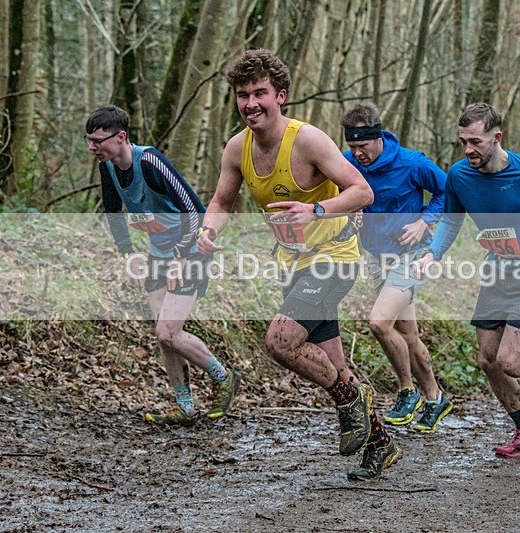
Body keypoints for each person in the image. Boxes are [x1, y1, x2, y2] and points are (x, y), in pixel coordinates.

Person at [197, 49, 400, 481]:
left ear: (280, 96)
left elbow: (362, 192)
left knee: (280, 340)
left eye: (260, 94)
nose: (251, 103)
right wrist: (209, 232)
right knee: (333, 363)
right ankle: (380, 444)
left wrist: (319, 211)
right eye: (242, 95)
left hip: (334, 260)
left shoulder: (308, 141)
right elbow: (221, 201)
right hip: (294, 264)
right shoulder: (237, 149)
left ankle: (349, 401)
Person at [412, 103, 520, 458]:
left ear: (496, 137)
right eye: (463, 142)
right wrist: (431, 254)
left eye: (475, 142)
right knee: (488, 360)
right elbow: (452, 221)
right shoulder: (458, 175)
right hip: (497, 271)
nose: (468, 150)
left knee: (509, 360)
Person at [85, 104, 239, 426]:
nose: (92, 147)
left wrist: (181, 257)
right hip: (157, 254)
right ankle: (185, 407)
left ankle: (224, 377)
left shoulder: (151, 162)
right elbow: (114, 214)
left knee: (169, 331)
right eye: (89, 140)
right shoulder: (108, 167)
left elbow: (196, 212)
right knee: (163, 334)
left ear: (121, 137)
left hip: (192, 250)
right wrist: (130, 256)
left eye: (98, 141)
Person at [340, 102, 452, 432]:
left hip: (412, 256)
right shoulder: (347, 164)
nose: (357, 153)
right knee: (408, 335)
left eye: (362, 146)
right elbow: (343, 194)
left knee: (379, 323)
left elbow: (449, 192)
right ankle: (435, 398)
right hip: (377, 256)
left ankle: (407, 391)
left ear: (378, 137)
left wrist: (425, 221)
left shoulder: (412, 162)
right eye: (352, 146)